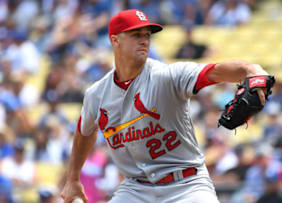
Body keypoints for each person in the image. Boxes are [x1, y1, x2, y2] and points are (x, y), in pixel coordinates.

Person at [60, 9, 269, 203]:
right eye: (136, 35)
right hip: (135, 188)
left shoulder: (166, 76)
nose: (144, 40)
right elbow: (84, 131)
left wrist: (250, 69)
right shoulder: (97, 94)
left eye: (147, 35)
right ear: (115, 40)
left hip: (186, 184)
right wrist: (73, 178)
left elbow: (213, 72)